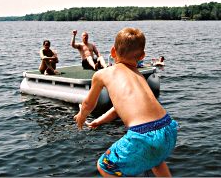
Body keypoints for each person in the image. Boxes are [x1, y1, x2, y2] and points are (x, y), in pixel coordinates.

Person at [74, 27, 178, 177]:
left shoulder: (102, 74)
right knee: (156, 160)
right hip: (168, 128)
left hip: (142, 134)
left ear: (113, 51)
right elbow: (117, 109)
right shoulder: (140, 76)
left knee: (104, 166)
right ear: (142, 56)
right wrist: (99, 121)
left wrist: (81, 116)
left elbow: (88, 104)